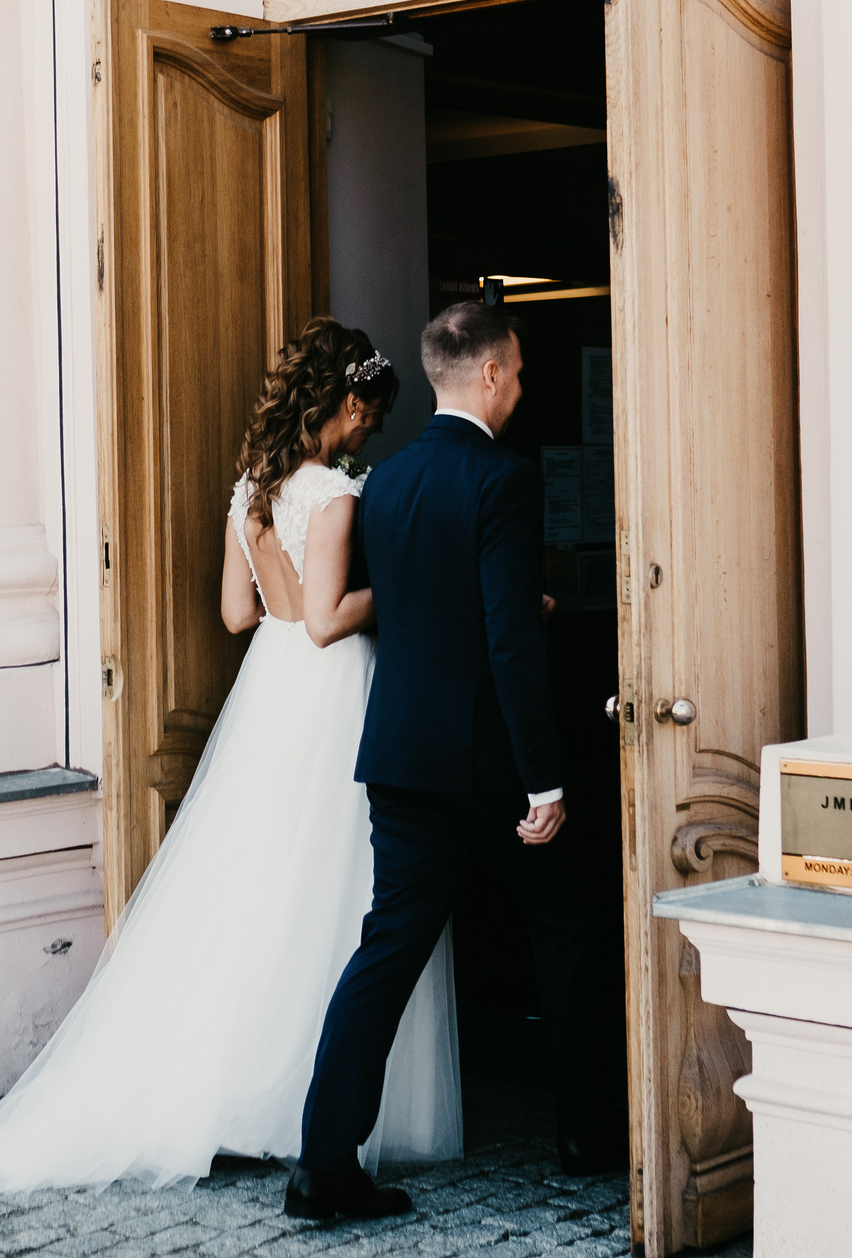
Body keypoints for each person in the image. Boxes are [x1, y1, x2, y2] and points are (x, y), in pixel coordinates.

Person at [0, 318, 461, 1191]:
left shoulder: (251, 489)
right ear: (347, 403)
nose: (371, 431)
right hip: (330, 689)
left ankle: (231, 1085)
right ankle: (297, 1101)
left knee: (257, 884)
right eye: (370, 415)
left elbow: (238, 613)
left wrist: (290, 595)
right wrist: (406, 586)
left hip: (269, 691)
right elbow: (327, 620)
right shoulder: (337, 496)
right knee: (337, 886)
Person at [287, 300, 589, 1223]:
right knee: (564, 927)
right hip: (489, 764)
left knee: (384, 952)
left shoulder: (385, 480)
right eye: (519, 372)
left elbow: (419, 602)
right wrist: (544, 778)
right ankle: (589, 1135)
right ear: (491, 373)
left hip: (402, 755)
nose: (521, 388)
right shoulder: (505, 477)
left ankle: (322, 1163)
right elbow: (506, 641)